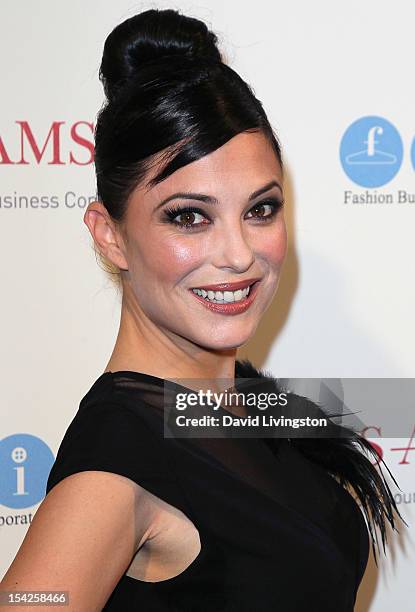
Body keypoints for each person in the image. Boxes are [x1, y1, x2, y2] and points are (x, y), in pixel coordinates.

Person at [1, 8, 401, 611]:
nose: (238, 254)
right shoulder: (116, 463)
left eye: (260, 210)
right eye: (189, 216)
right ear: (109, 234)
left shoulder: (251, 407)